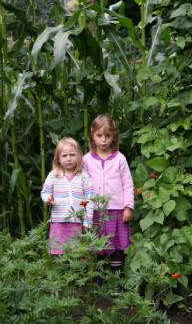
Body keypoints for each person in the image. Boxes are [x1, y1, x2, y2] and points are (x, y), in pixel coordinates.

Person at [83, 114, 134, 275]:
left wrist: (128, 207)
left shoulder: (120, 159)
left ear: (114, 136)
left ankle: (117, 279)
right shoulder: (86, 160)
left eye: (108, 136)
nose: (104, 140)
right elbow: (81, 185)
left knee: (117, 245)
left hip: (117, 211)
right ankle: (99, 281)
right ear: (93, 135)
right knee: (97, 247)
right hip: (95, 212)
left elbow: (128, 184)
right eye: (99, 135)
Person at [40, 137, 94, 255]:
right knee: (59, 254)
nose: (68, 159)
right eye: (64, 156)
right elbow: (45, 192)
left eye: (72, 155)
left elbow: (90, 199)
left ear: (79, 156)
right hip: (59, 222)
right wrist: (48, 198)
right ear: (58, 159)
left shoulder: (84, 176)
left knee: (77, 255)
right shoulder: (54, 175)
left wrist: (88, 222)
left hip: (77, 223)